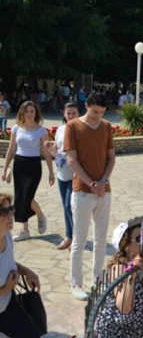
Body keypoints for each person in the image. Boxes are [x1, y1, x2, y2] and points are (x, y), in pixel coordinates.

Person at [64, 92, 115, 301]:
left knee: (101, 240)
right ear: (87, 106)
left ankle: (97, 280)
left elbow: (111, 158)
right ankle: (76, 282)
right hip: (82, 192)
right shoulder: (73, 126)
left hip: (104, 191)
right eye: (95, 112)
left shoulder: (106, 127)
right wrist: (90, 183)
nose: (97, 116)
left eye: (101, 113)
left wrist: (102, 182)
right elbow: (71, 160)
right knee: (80, 240)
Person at [2, 101, 54, 241]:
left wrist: (51, 172)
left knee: (27, 197)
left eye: (32, 111)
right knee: (20, 198)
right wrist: (5, 168)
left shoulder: (41, 131)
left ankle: (40, 216)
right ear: (22, 113)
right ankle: (25, 230)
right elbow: (11, 149)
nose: (29, 114)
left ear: (35, 113)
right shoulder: (16, 129)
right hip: (19, 165)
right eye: (27, 111)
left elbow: (47, 153)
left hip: (33, 166)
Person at [0, 193, 42, 338]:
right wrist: (5, 289)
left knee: (29, 337)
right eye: (4, 212)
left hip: (6, 303)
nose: (11, 215)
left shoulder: (7, 236)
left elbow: (7, 262)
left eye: (11, 209)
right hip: (5, 295)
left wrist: (26, 271)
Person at [44, 102, 79, 250]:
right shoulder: (60, 129)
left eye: (74, 113)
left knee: (69, 205)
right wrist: (49, 148)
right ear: (64, 114)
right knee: (65, 207)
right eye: (68, 113)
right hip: (61, 173)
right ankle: (69, 236)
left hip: (75, 174)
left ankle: (76, 238)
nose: (71, 116)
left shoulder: (80, 130)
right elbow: (57, 151)